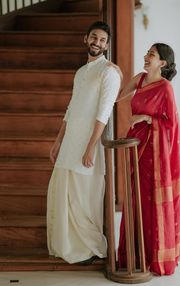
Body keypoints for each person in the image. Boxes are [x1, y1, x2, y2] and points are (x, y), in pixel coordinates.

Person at [47, 21, 121, 264]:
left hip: (89, 142)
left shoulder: (109, 72)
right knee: (63, 191)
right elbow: (71, 108)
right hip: (70, 140)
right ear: (86, 38)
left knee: (82, 196)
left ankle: (88, 247)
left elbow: (104, 111)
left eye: (102, 40)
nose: (97, 43)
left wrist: (91, 146)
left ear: (107, 45)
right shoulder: (80, 72)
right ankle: (66, 245)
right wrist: (58, 141)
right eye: (94, 37)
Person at [117, 43, 180, 275]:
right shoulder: (139, 79)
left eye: (152, 55)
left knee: (147, 201)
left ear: (162, 63)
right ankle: (133, 252)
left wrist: (147, 118)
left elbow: (171, 124)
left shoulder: (165, 88)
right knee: (134, 197)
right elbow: (116, 99)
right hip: (135, 147)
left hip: (153, 155)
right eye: (147, 53)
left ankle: (151, 254)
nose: (146, 57)